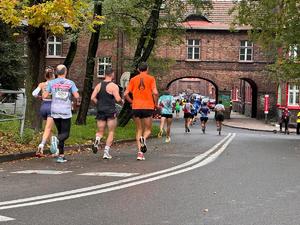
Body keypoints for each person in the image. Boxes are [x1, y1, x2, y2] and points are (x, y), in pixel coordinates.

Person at [43, 64, 80, 163]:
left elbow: (45, 95)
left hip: (54, 111)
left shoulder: (51, 83)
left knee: (60, 132)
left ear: (56, 73)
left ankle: (61, 156)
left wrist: (49, 91)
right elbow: (76, 96)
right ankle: (56, 139)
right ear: (65, 72)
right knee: (65, 134)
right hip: (65, 111)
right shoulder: (70, 83)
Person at [124, 62, 159, 161]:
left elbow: (126, 94)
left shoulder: (133, 79)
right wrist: (155, 104)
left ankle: (140, 153)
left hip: (136, 107)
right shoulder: (151, 79)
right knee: (148, 130)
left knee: (139, 129)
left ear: (138, 70)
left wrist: (131, 101)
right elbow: (155, 93)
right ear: (147, 69)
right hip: (148, 106)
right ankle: (144, 139)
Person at [90, 68, 123, 159]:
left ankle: (97, 141)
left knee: (100, 131)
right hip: (110, 111)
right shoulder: (113, 86)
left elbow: (92, 97)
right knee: (111, 132)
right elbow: (117, 99)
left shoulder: (99, 85)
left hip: (100, 110)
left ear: (105, 75)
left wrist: (99, 103)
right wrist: (122, 101)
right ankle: (106, 152)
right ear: (112, 75)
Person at [32, 67, 55, 157]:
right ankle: (41, 145)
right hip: (52, 106)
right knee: (48, 128)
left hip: (43, 106)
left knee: (48, 128)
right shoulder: (54, 84)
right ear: (52, 75)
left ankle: (54, 148)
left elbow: (34, 93)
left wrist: (40, 97)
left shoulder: (42, 84)